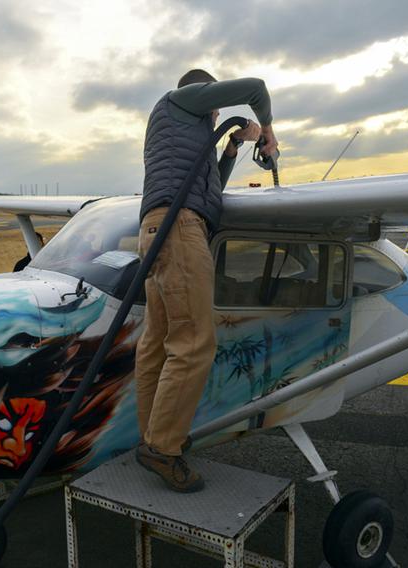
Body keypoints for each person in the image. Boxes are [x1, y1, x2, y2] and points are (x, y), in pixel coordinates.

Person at [135, 69, 277, 492]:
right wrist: (266, 131)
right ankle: (164, 448)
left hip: (157, 230)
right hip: (180, 230)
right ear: (205, 96)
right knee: (195, 342)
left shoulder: (179, 133)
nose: (216, 117)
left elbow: (205, 183)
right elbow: (256, 88)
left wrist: (233, 146)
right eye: (216, 110)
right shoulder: (182, 102)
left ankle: (152, 438)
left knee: (158, 343)